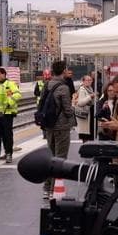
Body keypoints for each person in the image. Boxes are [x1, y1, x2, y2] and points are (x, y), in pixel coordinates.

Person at [43, 59, 75, 198]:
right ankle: (54, 190)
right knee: (60, 158)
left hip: (49, 125)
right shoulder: (64, 87)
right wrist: (73, 109)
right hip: (61, 126)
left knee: (51, 156)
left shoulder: (47, 84)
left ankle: (46, 188)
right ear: (63, 71)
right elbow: (67, 110)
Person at [0, 67, 21, 164]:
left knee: (7, 134)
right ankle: (6, 152)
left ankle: (9, 153)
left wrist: (9, 103)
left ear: (4, 74)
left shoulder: (10, 84)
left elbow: (17, 95)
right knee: (0, 135)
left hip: (8, 113)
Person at [73, 74, 96, 141]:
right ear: (83, 81)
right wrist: (90, 97)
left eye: (90, 80)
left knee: (89, 135)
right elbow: (80, 103)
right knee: (86, 136)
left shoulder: (90, 89)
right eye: (87, 80)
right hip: (85, 116)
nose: (89, 81)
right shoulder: (82, 89)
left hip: (89, 115)